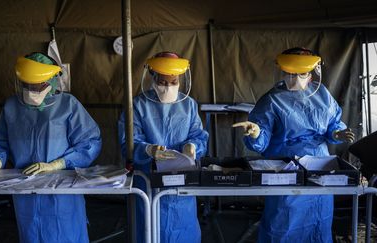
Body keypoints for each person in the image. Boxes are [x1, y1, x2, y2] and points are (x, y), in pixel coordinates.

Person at [233, 47, 355, 242]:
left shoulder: (322, 94)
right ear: (282, 71)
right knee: (283, 220)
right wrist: (256, 133)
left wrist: (336, 132)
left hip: (319, 166)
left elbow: (333, 122)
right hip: (285, 167)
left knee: (319, 218)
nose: (295, 79)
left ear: (312, 73)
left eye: (302, 74)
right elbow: (261, 142)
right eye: (290, 74)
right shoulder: (272, 99)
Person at [0, 52, 102, 243]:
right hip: (25, 191)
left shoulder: (68, 105)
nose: (31, 90)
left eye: (38, 86)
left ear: (53, 81)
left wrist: (58, 164)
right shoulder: (12, 106)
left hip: (61, 192)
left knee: (64, 235)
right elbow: (2, 143)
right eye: (26, 85)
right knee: (31, 235)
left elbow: (90, 142)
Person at [118, 51, 208, 243]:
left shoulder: (189, 105)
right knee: (149, 231)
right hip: (149, 183)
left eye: (173, 82)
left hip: (182, 181)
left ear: (181, 79)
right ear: (153, 76)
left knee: (182, 230)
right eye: (163, 83)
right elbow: (128, 142)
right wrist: (148, 150)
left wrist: (193, 147)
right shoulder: (138, 106)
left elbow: (198, 136)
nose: (168, 88)